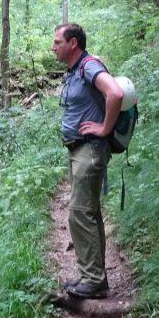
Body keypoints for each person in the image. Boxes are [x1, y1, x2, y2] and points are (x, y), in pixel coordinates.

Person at [52, 23, 124, 299]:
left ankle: (93, 281)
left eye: (58, 42)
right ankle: (93, 276)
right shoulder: (75, 71)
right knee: (87, 212)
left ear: (73, 43)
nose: (53, 47)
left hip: (89, 150)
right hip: (78, 150)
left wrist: (104, 128)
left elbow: (115, 93)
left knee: (79, 213)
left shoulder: (89, 66)